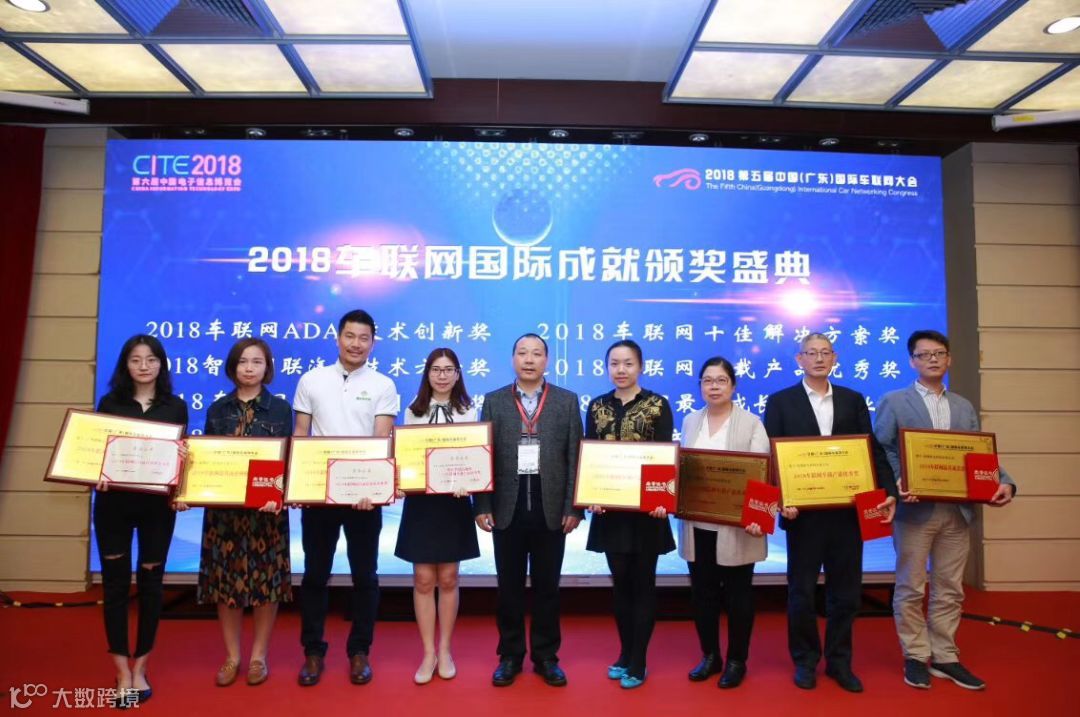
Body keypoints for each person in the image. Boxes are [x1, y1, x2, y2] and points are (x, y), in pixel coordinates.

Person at [874, 329, 1015, 691]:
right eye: (924, 354)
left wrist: (1005, 481)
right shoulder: (894, 401)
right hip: (914, 511)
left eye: (939, 353)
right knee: (910, 587)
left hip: (957, 512)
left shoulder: (963, 406)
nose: (932, 359)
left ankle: (945, 656)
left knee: (950, 587)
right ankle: (915, 655)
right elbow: (881, 449)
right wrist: (899, 482)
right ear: (912, 361)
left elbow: (979, 453)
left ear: (949, 359)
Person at [763, 332, 897, 693]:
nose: (819, 359)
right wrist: (780, 498)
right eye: (811, 353)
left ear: (834, 358)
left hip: (847, 514)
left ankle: (840, 661)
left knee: (846, 593)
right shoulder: (780, 402)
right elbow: (771, 458)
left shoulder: (853, 399)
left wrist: (888, 492)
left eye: (825, 353)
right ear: (799, 359)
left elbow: (871, 451)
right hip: (803, 516)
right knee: (801, 593)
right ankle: (805, 660)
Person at [292, 310, 397, 687]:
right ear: (338, 338)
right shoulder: (312, 379)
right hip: (319, 495)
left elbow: (381, 439)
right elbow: (301, 434)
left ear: (373, 342)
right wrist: (300, 484)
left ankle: (359, 651)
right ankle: (313, 652)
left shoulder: (383, 384)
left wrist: (373, 488)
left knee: (365, 576)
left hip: (363, 496)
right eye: (349, 336)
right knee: (315, 575)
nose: (356, 344)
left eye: (363, 338)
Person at [473, 333, 583, 688]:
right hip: (508, 509)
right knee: (509, 588)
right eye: (522, 353)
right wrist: (482, 504)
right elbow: (484, 455)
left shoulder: (566, 401)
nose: (529, 359)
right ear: (513, 359)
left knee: (548, 588)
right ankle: (510, 655)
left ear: (547, 361)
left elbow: (575, 457)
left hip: (552, 511)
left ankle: (546, 657)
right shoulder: (494, 401)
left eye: (536, 354)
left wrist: (573, 508)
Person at [93, 334, 188, 707]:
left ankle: (141, 668)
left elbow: (181, 460)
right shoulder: (110, 403)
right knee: (115, 587)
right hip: (113, 505)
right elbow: (96, 452)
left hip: (157, 509)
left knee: (151, 586)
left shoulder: (175, 407)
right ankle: (121, 670)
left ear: (161, 364)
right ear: (126, 365)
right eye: (136, 360)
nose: (144, 366)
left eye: (151, 359)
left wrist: (182, 481)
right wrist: (95, 472)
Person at [194, 338, 293, 688]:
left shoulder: (280, 410)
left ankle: (258, 657)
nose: (249, 368)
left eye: (257, 362)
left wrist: (279, 492)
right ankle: (232, 656)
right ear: (233, 367)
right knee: (226, 587)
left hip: (267, 512)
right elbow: (207, 461)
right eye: (242, 362)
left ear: (268, 367)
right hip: (225, 514)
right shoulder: (217, 410)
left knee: (266, 587)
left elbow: (288, 460)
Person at [585, 339, 675, 689]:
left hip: (647, 513)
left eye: (628, 363)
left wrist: (663, 498)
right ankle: (625, 654)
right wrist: (591, 494)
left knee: (643, 583)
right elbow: (590, 456)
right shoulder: (596, 405)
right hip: (610, 511)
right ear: (607, 367)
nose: (620, 370)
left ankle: (639, 660)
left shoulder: (657, 405)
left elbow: (664, 456)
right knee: (620, 584)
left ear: (641, 366)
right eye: (614, 363)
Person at [678, 356, 770, 689]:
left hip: (737, 527)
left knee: (738, 596)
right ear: (700, 386)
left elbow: (761, 473)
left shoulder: (751, 423)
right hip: (698, 524)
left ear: (733, 385)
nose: (713, 387)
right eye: (707, 380)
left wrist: (758, 516)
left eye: (721, 380)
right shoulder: (691, 421)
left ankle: (736, 660)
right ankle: (710, 656)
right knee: (702, 595)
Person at [394, 348, 481, 684]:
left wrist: (471, 481)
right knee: (422, 579)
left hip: (454, 502)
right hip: (421, 503)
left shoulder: (469, 412)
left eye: (448, 370)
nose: (442, 375)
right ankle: (428, 652)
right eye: (435, 369)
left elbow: (476, 458)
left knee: (448, 578)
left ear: (458, 374)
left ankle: (445, 650)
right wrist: (401, 480)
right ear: (427, 373)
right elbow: (407, 458)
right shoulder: (412, 411)